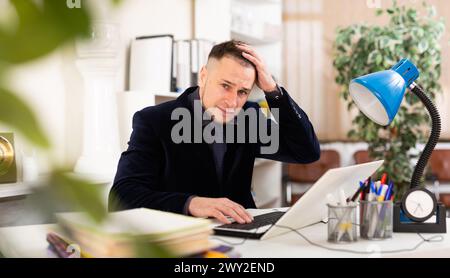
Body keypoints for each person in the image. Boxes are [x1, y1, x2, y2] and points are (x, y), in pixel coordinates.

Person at [109, 40, 320, 224]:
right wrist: (190, 203)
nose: (232, 101)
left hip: (242, 231)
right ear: (203, 76)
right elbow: (122, 196)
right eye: (225, 85)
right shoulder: (155, 120)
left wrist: (273, 91)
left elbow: (306, 151)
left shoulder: (249, 118)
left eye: (242, 92)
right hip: (183, 234)